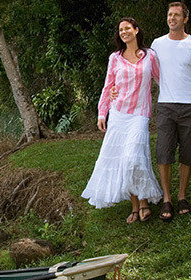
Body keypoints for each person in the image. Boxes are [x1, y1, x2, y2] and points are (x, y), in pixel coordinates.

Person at [81, 17, 164, 223]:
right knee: (123, 160)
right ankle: (136, 206)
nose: (124, 32)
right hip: (119, 114)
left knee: (134, 157)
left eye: (127, 28)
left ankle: (144, 201)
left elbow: (162, 79)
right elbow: (108, 86)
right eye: (121, 30)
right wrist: (102, 113)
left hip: (140, 114)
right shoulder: (115, 58)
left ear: (136, 30)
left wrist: (179, 97)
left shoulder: (150, 56)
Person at [152, 1, 191, 221]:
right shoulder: (157, 44)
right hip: (166, 106)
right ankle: (167, 198)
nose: (172, 18)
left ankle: (182, 195)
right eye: (170, 15)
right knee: (164, 152)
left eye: (177, 15)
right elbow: (146, 71)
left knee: (188, 154)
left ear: (185, 19)